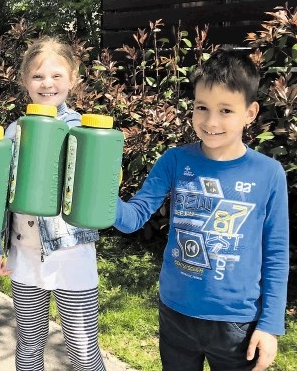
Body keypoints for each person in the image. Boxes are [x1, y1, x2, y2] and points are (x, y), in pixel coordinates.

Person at [113, 49, 289, 371]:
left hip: (237, 325)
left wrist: (270, 325)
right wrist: (97, 197)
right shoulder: (174, 161)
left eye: (226, 110)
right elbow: (132, 217)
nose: (211, 122)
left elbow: (275, 253)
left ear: (250, 113)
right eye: (202, 108)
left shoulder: (268, 173)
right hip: (176, 315)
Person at [0, 36, 107, 371]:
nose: (47, 84)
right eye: (37, 76)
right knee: (29, 343)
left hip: (72, 256)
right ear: (24, 80)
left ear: (73, 77)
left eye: (56, 75)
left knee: (83, 350)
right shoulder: (14, 131)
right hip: (23, 256)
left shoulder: (83, 130)